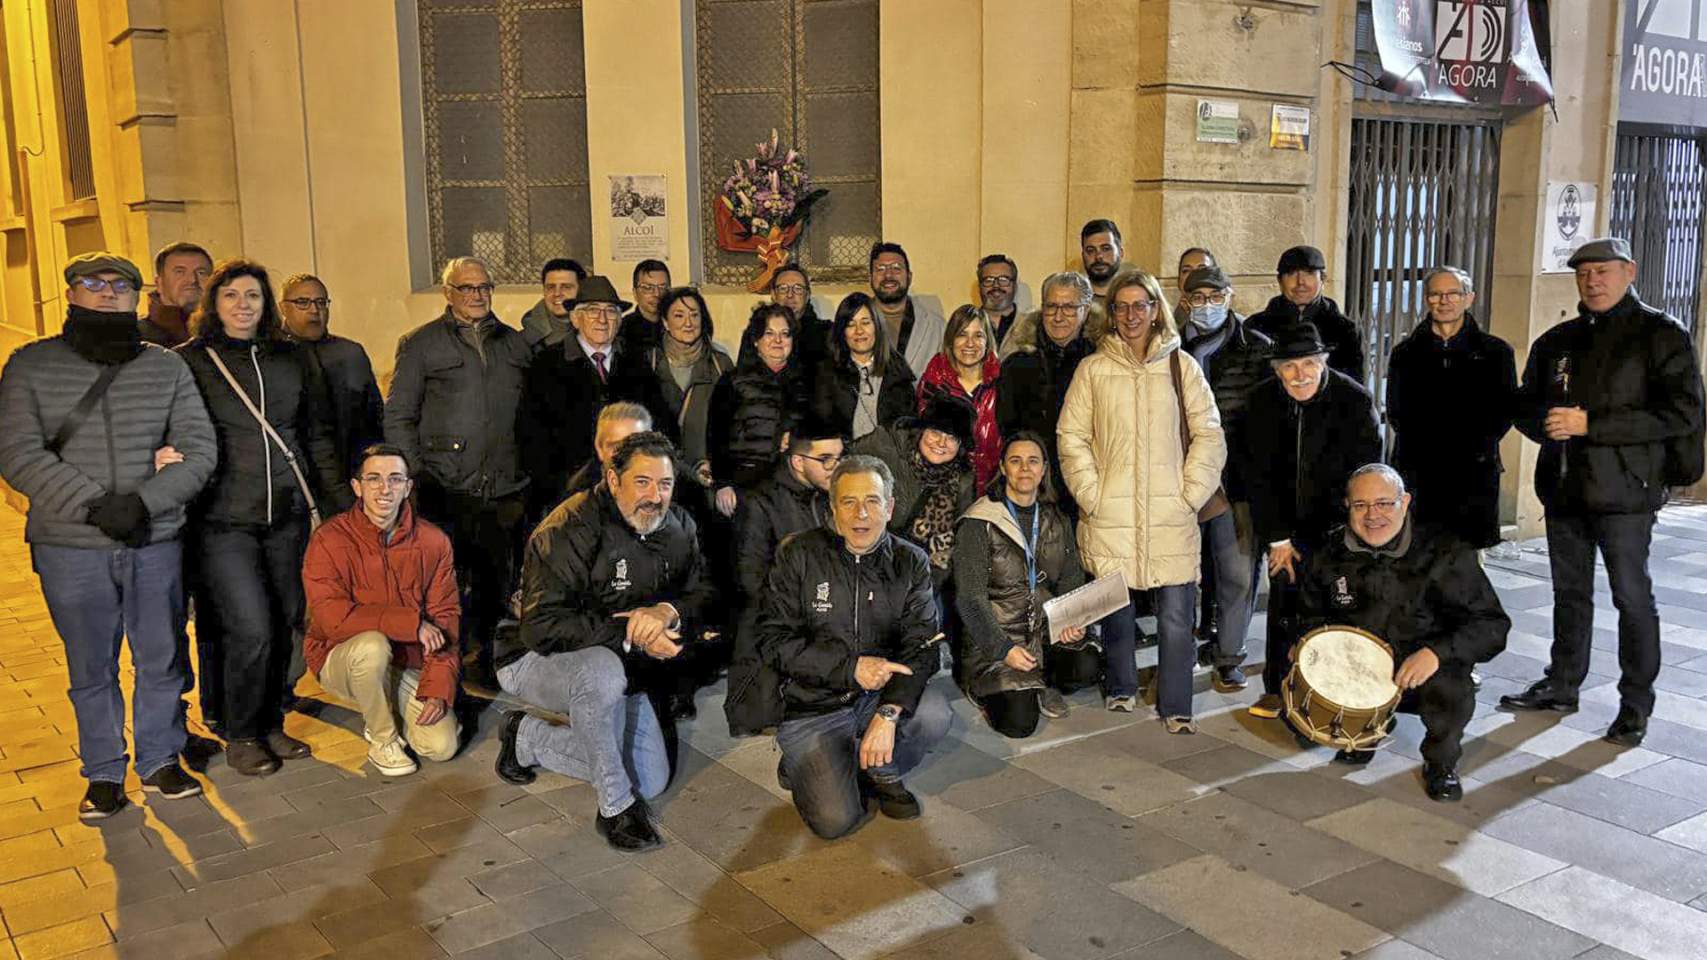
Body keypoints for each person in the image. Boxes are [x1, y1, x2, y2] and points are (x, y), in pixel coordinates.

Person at [0, 252, 216, 817]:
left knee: (161, 656)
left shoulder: (166, 367)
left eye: (118, 285)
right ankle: (102, 771)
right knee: (90, 666)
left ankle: (160, 760)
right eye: (91, 284)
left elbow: (199, 448)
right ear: (70, 293)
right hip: (70, 545)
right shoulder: (30, 366)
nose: (105, 293)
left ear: (134, 295)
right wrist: (93, 506)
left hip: (153, 539)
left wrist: (144, 504)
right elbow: (17, 452)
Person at [1500, 238, 1707, 747]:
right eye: (1584, 272)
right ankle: (1562, 683)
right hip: (1565, 489)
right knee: (1569, 595)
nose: (1593, 280)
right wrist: (1546, 425)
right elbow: (1525, 404)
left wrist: (1591, 423)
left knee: (1631, 597)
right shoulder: (1559, 339)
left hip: (1626, 493)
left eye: (1603, 271)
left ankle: (1635, 704)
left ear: (1629, 271)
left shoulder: (1661, 334)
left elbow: (1684, 413)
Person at [495, 432, 713, 852]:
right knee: (602, 671)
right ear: (613, 480)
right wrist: (633, 631)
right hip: (532, 658)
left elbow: (703, 592)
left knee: (649, 780)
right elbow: (541, 627)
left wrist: (666, 614)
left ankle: (526, 738)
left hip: (620, 661)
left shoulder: (678, 525)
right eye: (642, 482)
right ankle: (615, 808)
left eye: (664, 484)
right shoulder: (570, 526)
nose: (655, 496)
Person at [179, 258, 341, 775]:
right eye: (231, 295)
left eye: (252, 296)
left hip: (287, 513)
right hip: (223, 519)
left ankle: (272, 721)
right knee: (248, 627)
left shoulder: (291, 359)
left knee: (284, 619)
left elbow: (315, 435)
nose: (243, 305)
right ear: (214, 303)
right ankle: (240, 730)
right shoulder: (190, 361)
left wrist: (334, 502)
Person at [1057, 269, 1226, 732]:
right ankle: (1121, 686)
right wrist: (1092, 493)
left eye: (1141, 305)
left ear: (1156, 310)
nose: (1132, 315)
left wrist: (1190, 494)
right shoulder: (1092, 369)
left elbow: (1209, 433)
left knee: (1176, 614)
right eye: (1122, 306)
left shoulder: (1182, 366)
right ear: (1111, 315)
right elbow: (1072, 437)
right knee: (1116, 608)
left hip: (1170, 511)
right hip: (1110, 511)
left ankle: (1176, 703)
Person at [759, 455, 952, 839]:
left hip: (877, 698)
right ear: (832, 508)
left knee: (934, 715)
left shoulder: (910, 561)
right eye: (848, 501)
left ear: (890, 507)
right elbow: (773, 642)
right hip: (813, 704)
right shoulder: (799, 555)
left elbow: (924, 646)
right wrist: (851, 668)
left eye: (872, 501)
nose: (861, 513)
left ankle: (878, 767)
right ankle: (808, 762)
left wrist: (889, 713)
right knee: (835, 822)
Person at [1298, 464, 1510, 802]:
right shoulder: (1327, 555)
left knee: (1450, 687)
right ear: (1347, 506)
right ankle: (1365, 730)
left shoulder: (1445, 552)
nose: (1373, 516)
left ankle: (1441, 762)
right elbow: (1308, 617)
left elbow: (1492, 624)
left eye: (1385, 503)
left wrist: (1437, 653)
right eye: (1361, 505)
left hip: (1423, 664)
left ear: (1405, 501)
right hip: (1364, 664)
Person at [385, 256, 532, 689]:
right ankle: (439, 660)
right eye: (467, 289)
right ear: (448, 294)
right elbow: (398, 416)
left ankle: (480, 657)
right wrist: (414, 475)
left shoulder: (514, 344)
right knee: (445, 582)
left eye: (485, 287)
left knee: (493, 579)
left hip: (504, 486)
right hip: (445, 485)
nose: (478, 295)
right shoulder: (421, 344)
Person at [1240, 322, 1382, 721]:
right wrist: (1277, 538)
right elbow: (1257, 475)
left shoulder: (1353, 400)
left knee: (1339, 606)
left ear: (1323, 363)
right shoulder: (1261, 402)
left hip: (1339, 524)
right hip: (1286, 527)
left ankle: (1338, 692)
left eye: (1308, 363)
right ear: (1276, 369)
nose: (1299, 374)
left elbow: (1369, 468)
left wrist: (1354, 532)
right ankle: (1277, 687)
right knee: (1286, 602)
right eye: (1289, 366)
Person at [302, 444, 461, 776]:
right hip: (341, 656)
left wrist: (438, 688)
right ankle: (383, 738)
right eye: (373, 479)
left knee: (441, 747)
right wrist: (411, 624)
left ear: (407, 487)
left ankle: (388, 701)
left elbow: (446, 616)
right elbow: (333, 620)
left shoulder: (433, 542)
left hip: (407, 660)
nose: (384, 489)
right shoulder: (329, 539)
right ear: (357, 487)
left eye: (394, 479)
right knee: (372, 647)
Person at [953, 434, 1102, 737]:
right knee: (1020, 725)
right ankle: (981, 689)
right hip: (997, 640)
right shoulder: (979, 521)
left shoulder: (1055, 519)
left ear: (1044, 469)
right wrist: (1002, 648)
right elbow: (970, 599)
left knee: (1089, 665)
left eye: (1033, 461)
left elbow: (1071, 578)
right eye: (1015, 461)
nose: (1024, 469)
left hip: (1043, 633)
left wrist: (1073, 620)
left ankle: (1039, 683)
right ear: (1003, 468)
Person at [1179, 265, 1273, 691]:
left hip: (1236, 482)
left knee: (1237, 571)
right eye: (1198, 298)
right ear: (1185, 301)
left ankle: (1230, 654)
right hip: (1180, 480)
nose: (1207, 306)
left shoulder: (1257, 348)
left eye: (1215, 297)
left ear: (1230, 296)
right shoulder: (1169, 345)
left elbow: (1264, 421)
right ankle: (1182, 646)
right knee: (1180, 573)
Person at [724, 416, 843, 736]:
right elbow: (751, 579)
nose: (835, 466)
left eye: (839, 457)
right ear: (797, 461)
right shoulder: (761, 501)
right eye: (825, 459)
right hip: (777, 613)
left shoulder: (828, 495)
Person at [1385, 265, 1517, 549]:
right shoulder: (1405, 353)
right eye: (1435, 294)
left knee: (1467, 569)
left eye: (1453, 293)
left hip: (1472, 474)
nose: (1444, 301)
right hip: (1419, 471)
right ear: (1426, 299)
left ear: (1469, 298)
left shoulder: (1496, 352)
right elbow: (1396, 412)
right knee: (1416, 558)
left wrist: (1472, 444)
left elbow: (1504, 413)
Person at [519, 276, 667, 524]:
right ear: (575, 319)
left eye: (610, 312)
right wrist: (560, 486)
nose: (602, 319)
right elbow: (531, 436)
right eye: (592, 311)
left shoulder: (636, 364)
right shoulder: (547, 365)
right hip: (568, 496)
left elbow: (659, 422)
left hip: (630, 492)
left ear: (619, 321)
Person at [995, 272, 1099, 516]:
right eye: (1051, 307)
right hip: (1034, 487)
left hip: (1089, 485)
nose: (1059, 316)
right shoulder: (1018, 362)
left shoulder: (1102, 362)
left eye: (1069, 307)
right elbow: (1008, 427)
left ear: (1085, 310)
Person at [851, 393, 978, 592]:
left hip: (923, 580)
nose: (941, 443)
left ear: (961, 445)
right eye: (936, 432)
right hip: (866, 568)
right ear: (921, 430)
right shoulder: (885, 446)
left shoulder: (963, 480)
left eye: (951, 437)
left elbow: (957, 543)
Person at [278, 273, 384, 492]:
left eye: (321, 302)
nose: (314, 310)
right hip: (295, 481)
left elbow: (375, 419)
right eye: (302, 302)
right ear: (283, 308)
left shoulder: (350, 353)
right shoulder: (272, 357)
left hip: (351, 473)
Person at [708, 303, 810, 506]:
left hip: (793, 484)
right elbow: (716, 434)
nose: (778, 341)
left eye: (785, 334)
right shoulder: (733, 381)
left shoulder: (808, 382)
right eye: (769, 333)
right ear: (756, 340)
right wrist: (722, 483)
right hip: (744, 483)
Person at [643, 286, 733, 488]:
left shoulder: (720, 365)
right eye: (679, 315)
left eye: (694, 315)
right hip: (658, 475)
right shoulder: (648, 363)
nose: (688, 323)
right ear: (665, 322)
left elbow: (733, 425)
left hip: (706, 475)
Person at [1247, 245, 1366, 384]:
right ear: (1280, 281)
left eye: (1309, 273)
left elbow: (1354, 387)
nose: (1300, 282)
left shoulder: (1345, 329)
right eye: (1291, 274)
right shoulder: (1256, 327)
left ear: (1323, 279)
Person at [917, 304, 1002, 488]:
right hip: (943, 491)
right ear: (950, 340)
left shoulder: (1003, 383)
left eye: (978, 335)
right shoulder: (934, 383)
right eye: (962, 334)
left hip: (993, 490)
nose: (969, 343)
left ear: (988, 341)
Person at [812, 292, 916, 441]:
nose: (859, 331)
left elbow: (908, 431)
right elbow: (821, 426)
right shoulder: (827, 373)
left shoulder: (898, 372)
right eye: (850, 324)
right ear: (842, 332)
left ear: (877, 326)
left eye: (865, 322)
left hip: (889, 460)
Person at [869, 242, 945, 377]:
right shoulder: (853, 325)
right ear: (870, 278)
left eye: (896, 268)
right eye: (880, 269)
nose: (888, 275)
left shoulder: (936, 326)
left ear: (909, 277)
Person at [140, 242, 212, 347]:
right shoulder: (136, 338)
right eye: (179, 272)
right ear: (159, 283)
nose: (192, 280)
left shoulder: (227, 334)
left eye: (201, 273)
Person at [772, 263, 832, 371]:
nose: (790, 295)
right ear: (773, 295)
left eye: (798, 289)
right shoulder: (759, 332)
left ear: (807, 295)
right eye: (783, 288)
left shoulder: (826, 333)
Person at [520, 257, 588, 351]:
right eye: (551, 287)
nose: (557, 293)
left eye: (566, 287)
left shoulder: (599, 333)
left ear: (582, 290)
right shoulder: (523, 342)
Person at [618, 259, 671, 352]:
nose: (657, 294)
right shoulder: (622, 330)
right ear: (635, 293)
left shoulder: (677, 326)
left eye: (662, 287)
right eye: (648, 288)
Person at [1079, 219, 1132, 302]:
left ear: (1121, 253)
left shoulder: (1134, 298)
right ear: (1083, 255)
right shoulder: (1073, 300)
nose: (1098, 256)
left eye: (1106, 249)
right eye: (1091, 250)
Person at [977, 254, 1022, 349]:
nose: (996, 286)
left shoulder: (1033, 327)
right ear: (979, 287)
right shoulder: (963, 327)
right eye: (988, 280)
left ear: (1015, 286)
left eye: (1003, 280)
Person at [1172, 247, 1217, 327]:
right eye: (1186, 270)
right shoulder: (1165, 328)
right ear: (1179, 282)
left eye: (1202, 269)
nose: (1193, 275)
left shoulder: (1235, 326)